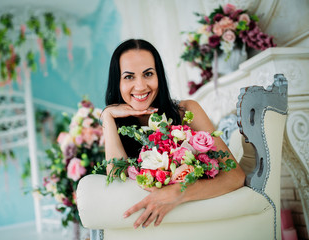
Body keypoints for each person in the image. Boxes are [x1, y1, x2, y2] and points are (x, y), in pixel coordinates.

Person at [100, 39, 245, 229]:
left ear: (159, 76)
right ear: (116, 82)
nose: (141, 86)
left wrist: (180, 191)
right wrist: (107, 115)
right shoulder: (115, 126)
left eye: (148, 74)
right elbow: (117, 183)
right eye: (129, 77)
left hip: (195, 224)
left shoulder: (186, 111)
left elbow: (235, 176)